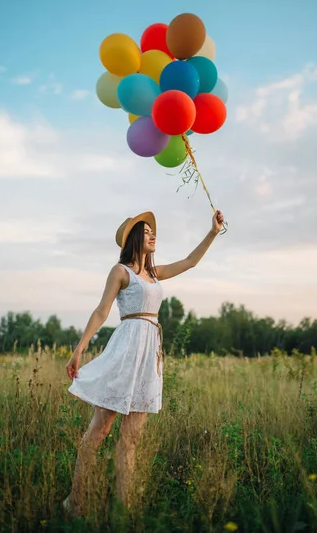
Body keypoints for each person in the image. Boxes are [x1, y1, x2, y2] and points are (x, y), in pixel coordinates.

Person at [63, 209, 225, 516]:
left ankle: (123, 510)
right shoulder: (121, 271)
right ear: (135, 237)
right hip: (126, 351)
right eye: (147, 231)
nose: (153, 235)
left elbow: (190, 261)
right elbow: (101, 311)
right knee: (100, 429)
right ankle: (76, 501)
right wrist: (79, 349)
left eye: (154, 231)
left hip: (149, 356)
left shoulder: (154, 273)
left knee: (132, 437)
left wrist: (213, 232)